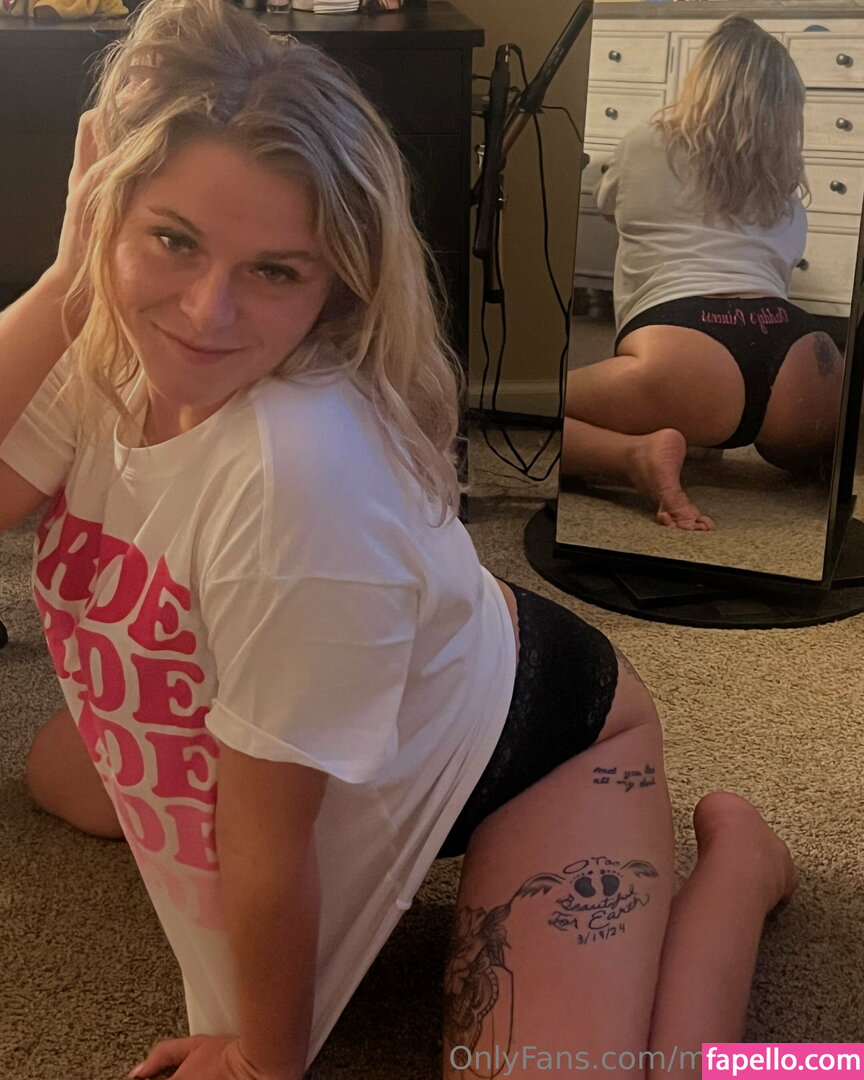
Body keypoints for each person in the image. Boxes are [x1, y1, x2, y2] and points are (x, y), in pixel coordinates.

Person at [0, 0, 796, 1077]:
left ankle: (744, 864)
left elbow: (270, 845)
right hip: (370, 689)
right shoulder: (103, 339)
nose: (203, 311)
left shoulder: (301, 480)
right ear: (106, 208)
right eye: (172, 239)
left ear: (337, 285)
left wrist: (260, 1060)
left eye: (275, 270)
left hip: (538, 742)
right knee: (61, 772)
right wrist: (63, 280)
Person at [563, 15, 845, 531]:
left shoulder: (645, 142)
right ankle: (720, 434)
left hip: (684, 356)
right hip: (802, 361)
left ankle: (635, 455)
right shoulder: (785, 187)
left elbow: (609, 206)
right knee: (822, 451)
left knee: (523, 416)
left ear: (702, 77)